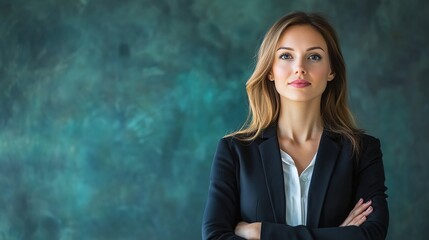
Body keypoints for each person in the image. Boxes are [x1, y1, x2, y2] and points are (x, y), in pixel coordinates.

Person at [202, 11, 389, 240]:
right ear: (270, 70)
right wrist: (338, 235)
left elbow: (371, 235)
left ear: (332, 71)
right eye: (286, 56)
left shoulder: (362, 150)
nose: (299, 67)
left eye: (314, 57)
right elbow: (214, 237)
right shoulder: (235, 151)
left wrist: (262, 232)